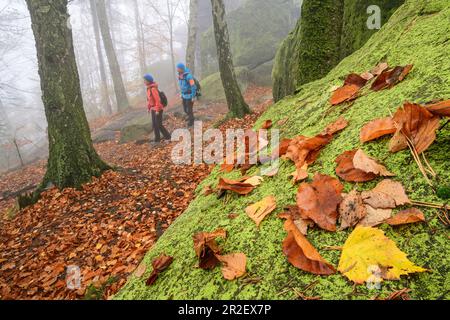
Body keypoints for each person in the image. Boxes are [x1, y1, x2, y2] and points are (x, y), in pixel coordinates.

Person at [144, 74, 171, 144]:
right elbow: (150, 100)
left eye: (145, 80)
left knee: (159, 124)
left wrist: (157, 110)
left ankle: (168, 137)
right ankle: (157, 140)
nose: (144, 82)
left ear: (148, 81)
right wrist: (149, 108)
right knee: (154, 125)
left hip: (157, 109)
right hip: (153, 109)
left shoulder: (153, 89)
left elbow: (157, 100)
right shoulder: (148, 89)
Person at [177, 63, 197, 127]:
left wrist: (193, 96)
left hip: (190, 95)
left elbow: (193, 86)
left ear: (181, 69)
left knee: (189, 109)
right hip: (184, 96)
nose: (177, 69)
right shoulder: (180, 75)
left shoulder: (188, 76)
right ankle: (190, 116)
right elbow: (181, 86)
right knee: (185, 109)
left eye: (178, 68)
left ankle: (191, 121)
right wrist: (181, 94)